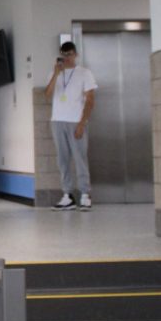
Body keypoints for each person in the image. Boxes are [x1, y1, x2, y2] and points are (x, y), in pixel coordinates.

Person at [44, 41, 97, 211]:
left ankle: (85, 194)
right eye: (64, 54)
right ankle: (67, 195)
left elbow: (90, 100)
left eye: (70, 54)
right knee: (63, 159)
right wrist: (56, 74)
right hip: (58, 120)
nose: (67, 58)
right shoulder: (55, 72)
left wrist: (82, 123)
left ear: (76, 54)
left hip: (76, 120)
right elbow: (47, 95)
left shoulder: (84, 73)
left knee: (80, 158)